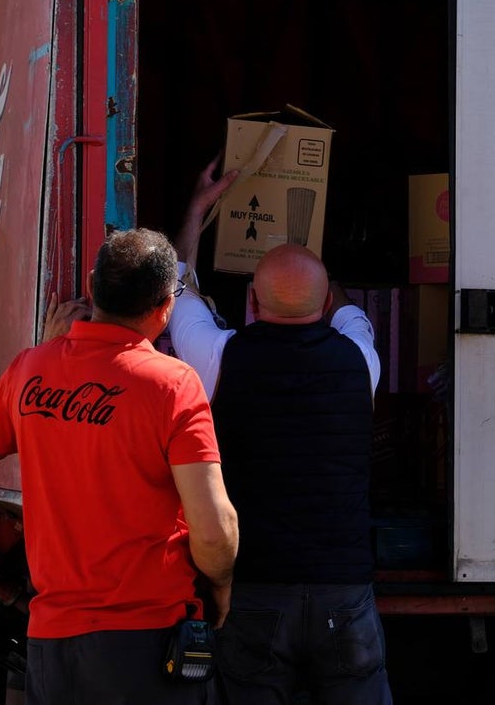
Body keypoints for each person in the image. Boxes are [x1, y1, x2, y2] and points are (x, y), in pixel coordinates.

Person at [0, 227, 239, 705]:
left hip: (52, 641)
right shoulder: (172, 385)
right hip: (145, 643)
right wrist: (221, 586)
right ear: (164, 308)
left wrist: (39, 361)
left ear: (92, 288)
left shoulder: (31, 367)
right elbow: (214, 533)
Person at [167, 158, 393, 705]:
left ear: (250, 304)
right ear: (326, 305)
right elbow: (347, 312)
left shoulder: (220, 355)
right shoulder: (361, 359)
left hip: (256, 586)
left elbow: (176, 288)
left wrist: (198, 209)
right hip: (345, 590)